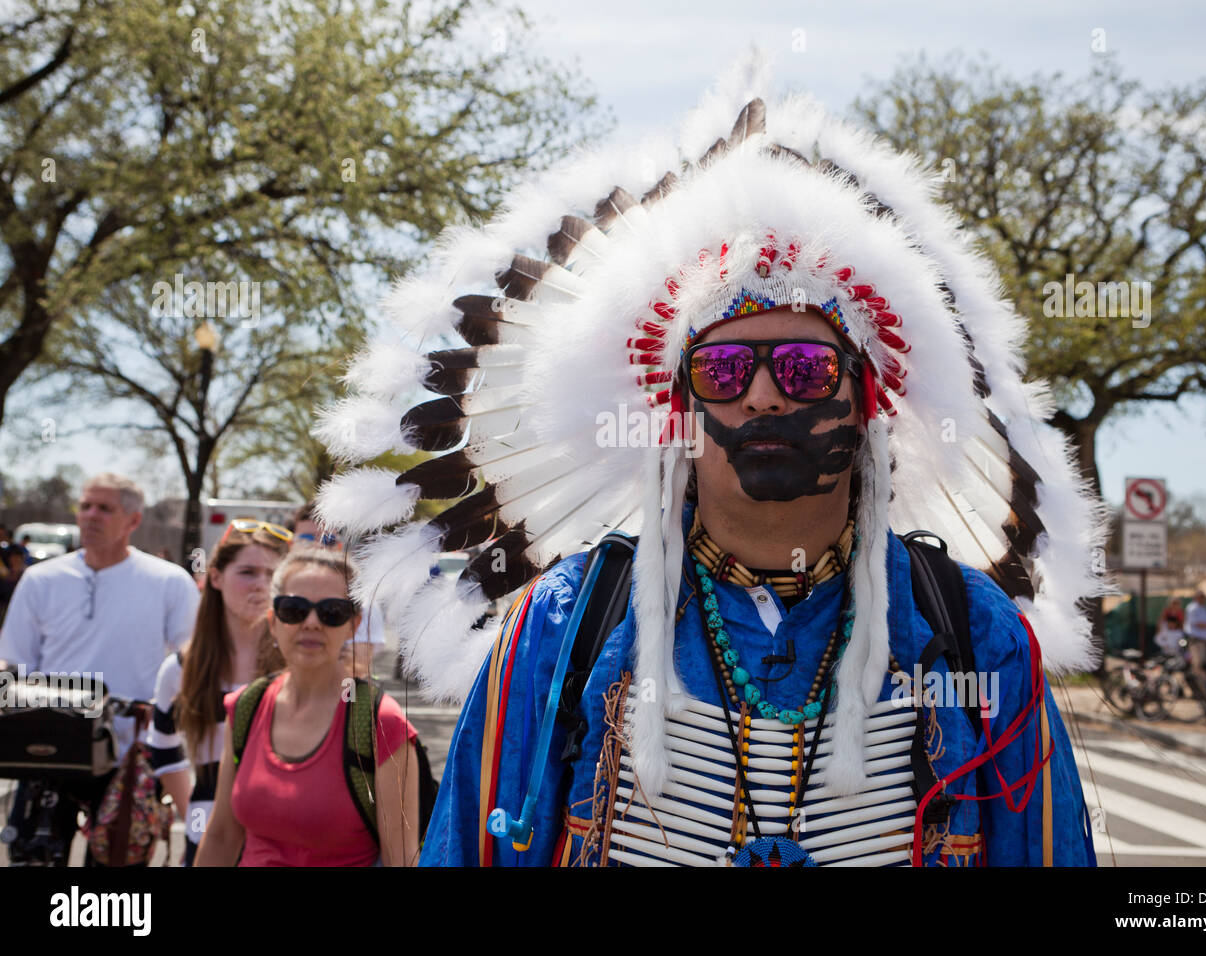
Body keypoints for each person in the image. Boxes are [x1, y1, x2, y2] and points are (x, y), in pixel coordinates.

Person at [317, 64, 1107, 867]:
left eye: (805, 369)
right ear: (678, 414)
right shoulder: (564, 627)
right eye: (724, 372)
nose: (763, 397)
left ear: (868, 402)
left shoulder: (971, 635)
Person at [0, 473, 200, 864]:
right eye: (85, 505)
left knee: (118, 866)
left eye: (104, 508)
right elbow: (12, 658)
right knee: (31, 854)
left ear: (133, 520)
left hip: (129, 751)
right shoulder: (41, 579)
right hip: (46, 743)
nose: (90, 515)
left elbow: (192, 657)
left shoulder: (169, 582)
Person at [195, 546, 420, 866]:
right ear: (273, 622)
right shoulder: (247, 705)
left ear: (353, 625)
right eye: (294, 609)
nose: (312, 622)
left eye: (331, 612)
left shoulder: (380, 722)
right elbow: (221, 835)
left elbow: (402, 860)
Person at [145, 520, 291, 865]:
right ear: (216, 577)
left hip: (282, 838)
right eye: (248, 572)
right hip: (209, 839)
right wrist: (195, 816)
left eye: (271, 574)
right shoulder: (181, 668)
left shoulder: (295, 665)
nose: (261, 585)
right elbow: (162, 749)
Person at [291, 502, 383, 679]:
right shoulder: (271, 595)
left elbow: (355, 672)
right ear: (290, 544)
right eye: (307, 539)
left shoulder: (361, 601)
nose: (318, 547)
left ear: (339, 547)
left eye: (327, 540)